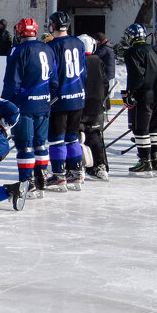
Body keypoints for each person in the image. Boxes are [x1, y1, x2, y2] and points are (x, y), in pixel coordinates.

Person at [2, 18, 58, 198]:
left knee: (25, 146)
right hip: (44, 105)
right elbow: (54, 81)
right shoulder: (48, 49)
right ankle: (41, 179)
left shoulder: (19, 51)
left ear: (19, 32)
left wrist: (6, 106)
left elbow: (12, 83)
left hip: (25, 106)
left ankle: (28, 182)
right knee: (41, 144)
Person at [45, 11, 87, 190]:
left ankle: (58, 174)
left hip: (60, 97)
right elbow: (83, 71)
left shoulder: (52, 45)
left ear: (52, 26)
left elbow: (51, 73)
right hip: (78, 96)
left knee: (56, 138)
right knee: (72, 137)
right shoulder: (78, 43)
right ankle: (76, 172)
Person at [123, 23, 157, 176]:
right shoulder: (155, 50)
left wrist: (131, 93)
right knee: (154, 128)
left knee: (141, 129)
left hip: (144, 96)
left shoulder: (133, 52)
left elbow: (136, 75)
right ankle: (155, 159)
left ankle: (145, 161)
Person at [77, 34, 110, 180]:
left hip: (80, 105)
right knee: (95, 134)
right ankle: (100, 165)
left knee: (77, 135)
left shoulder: (77, 62)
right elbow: (105, 83)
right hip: (96, 105)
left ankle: (77, 166)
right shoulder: (98, 61)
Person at [93, 33, 117, 108]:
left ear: (100, 41)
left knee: (103, 91)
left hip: (106, 73)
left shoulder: (104, 48)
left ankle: (104, 106)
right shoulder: (107, 46)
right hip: (109, 73)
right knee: (105, 92)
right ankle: (107, 106)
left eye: (96, 41)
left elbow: (95, 56)